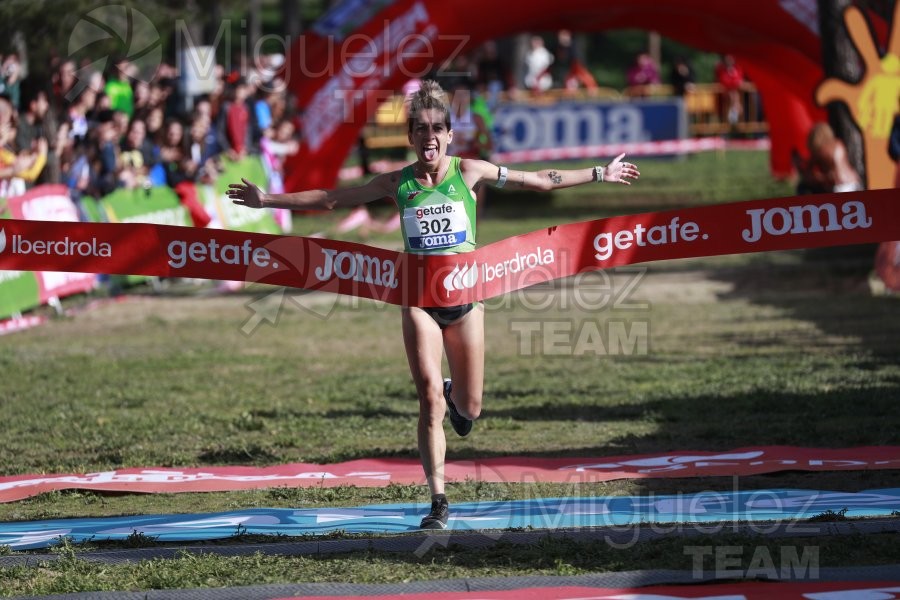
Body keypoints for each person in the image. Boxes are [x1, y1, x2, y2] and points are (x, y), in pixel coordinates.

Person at [227, 80, 640, 530]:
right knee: (428, 400)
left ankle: (456, 400)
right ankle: (438, 501)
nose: (429, 137)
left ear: (448, 135)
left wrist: (600, 173)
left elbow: (541, 181)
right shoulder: (396, 183)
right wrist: (266, 199)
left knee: (470, 410)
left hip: (466, 302)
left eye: (437, 128)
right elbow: (332, 198)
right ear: (411, 137)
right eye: (420, 129)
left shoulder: (471, 172)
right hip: (419, 302)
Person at [794, 122, 862, 194]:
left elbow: (810, 175)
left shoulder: (820, 150)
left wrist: (818, 177)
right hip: (853, 181)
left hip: (839, 186)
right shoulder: (838, 143)